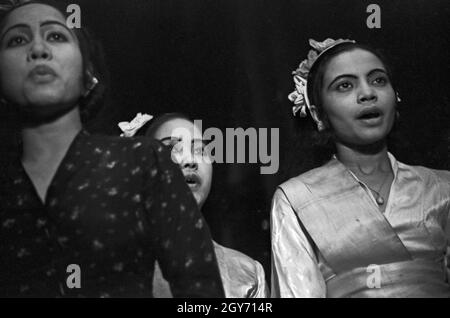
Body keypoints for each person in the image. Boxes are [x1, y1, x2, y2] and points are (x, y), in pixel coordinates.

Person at [0, 0, 224, 297]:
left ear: (87, 75)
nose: (38, 50)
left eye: (56, 36)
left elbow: (202, 294)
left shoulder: (143, 163)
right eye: (17, 39)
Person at [271, 38, 450, 297]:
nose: (368, 93)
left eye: (378, 80)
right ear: (318, 114)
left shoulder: (442, 188)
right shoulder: (297, 199)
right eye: (345, 85)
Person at [120, 112, 269, 297]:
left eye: (200, 150)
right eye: (172, 148)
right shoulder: (116, 263)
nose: (191, 161)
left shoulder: (247, 274)